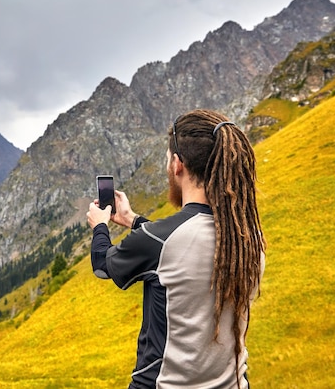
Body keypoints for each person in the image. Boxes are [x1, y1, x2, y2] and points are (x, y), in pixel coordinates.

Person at [87, 109, 266, 388]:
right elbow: (180, 245)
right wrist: (133, 220)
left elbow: (102, 265)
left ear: (178, 165)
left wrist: (100, 225)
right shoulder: (248, 238)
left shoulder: (161, 241)